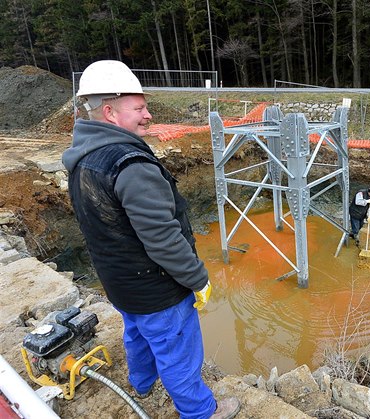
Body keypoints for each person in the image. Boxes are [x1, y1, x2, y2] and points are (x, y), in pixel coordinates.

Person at [62, 60, 240, 419]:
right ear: (110, 112)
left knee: (138, 335)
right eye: (139, 107)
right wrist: (197, 279)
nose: (148, 115)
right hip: (157, 290)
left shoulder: (81, 158)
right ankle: (201, 412)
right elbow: (163, 240)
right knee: (179, 354)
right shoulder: (131, 164)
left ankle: (141, 383)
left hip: (120, 283)